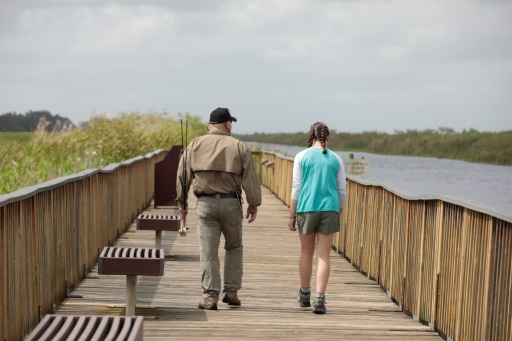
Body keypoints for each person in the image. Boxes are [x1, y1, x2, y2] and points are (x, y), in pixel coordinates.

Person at [176, 107, 262, 310]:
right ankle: (231, 292)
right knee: (233, 248)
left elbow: (182, 176)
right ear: (227, 124)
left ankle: (209, 297)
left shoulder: (195, 144)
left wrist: (182, 203)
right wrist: (253, 204)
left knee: (208, 252)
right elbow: (250, 178)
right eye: (230, 122)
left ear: (209, 125)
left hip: (205, 205)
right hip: (231, 204)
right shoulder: (239, 146)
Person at [288, 122, 347, 314]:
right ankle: (320, 299)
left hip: (306, 208)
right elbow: (342, 190)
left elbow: (296, 187)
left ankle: (304, 294)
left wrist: (291, 215)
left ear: (311, 136)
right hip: (329, 209)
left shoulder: (301, 156)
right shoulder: (336, 159)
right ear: (327, 137)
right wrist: (339, 210)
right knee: (324, 256)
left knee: (306, 252)